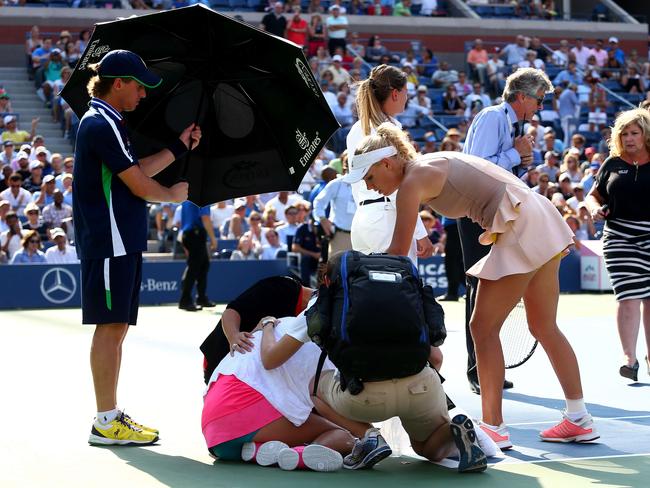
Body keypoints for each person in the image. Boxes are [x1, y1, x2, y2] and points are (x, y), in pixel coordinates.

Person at [345, 122, 599, 450]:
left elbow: (397, 255)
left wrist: (355, 276)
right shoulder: (426, 166)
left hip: (521, 223)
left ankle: (493, 426)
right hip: (538, 215)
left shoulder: (412, 181)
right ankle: (579, 418)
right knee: (543, 326)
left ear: (387, 163)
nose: (369, 186)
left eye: (369, 177)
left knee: (482, 327)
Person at [260, 253, 488, 473]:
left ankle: (369, 436)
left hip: (363, 396)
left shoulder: (320, 305)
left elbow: (271, 360)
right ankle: (453, 431)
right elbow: (436, 358)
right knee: (425, 447)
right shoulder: (405, 295)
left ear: (327, 279)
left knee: (313, 387)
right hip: (422, 386)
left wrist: (269, 324)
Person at [73, 50, 199, 445]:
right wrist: (174, 196)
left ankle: (109, 416)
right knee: (110, 327)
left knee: (118, 326)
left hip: (120, 240)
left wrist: (179, 147)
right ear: (119, 83)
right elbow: (139, 185)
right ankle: (105, 420)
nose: (143, 94)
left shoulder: (110, 121)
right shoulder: (99, 123)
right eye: (139, 86)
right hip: (108, 241)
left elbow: (137, 170)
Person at [460, 67, 548, 393]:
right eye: (538, 100)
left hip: (494, 212)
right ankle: (477, 370)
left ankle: (485, 366)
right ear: (522, 96)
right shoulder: (493, 116)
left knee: (490, 288)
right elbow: (477, 166)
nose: (539, 106)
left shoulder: (511, 122)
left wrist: (522, 159)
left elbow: (501, 170)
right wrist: (516, 153)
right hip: (478, 212)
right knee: (479, 287)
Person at [202, 307, 359, 471]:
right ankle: (299, 454)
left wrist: (268, 323)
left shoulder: (282, 324)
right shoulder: (324, 347)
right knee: (345, 436)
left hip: (217, 439)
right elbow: (330, 406)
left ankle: (258, 450)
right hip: (248, 414)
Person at [586, 108, 650, 382]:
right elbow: (593, 195)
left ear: (646, 135)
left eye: (634, 133)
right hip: (618, 236)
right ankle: (629, 358)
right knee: (627, 296)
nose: (629, 138)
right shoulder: (612, 164)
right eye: (624, 134)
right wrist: (593, 209)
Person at [346, 64, 433, 264]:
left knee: (366, 288)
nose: (407, 97)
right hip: (387, 219)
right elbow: (397, 186)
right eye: (405, 92)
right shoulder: (389, 129)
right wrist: (419, 231)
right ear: (395, 93)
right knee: (399, 289)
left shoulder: (357, 129)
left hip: (363, 219)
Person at [200, 275, 313, 383]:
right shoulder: (279, 288)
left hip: (248, 371)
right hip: (219, 358)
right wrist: (234, 336)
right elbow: (232, 311)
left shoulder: (305, 318)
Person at [178, 201, 217, 312]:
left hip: (190, 234)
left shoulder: (188, 198)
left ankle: (201, 298)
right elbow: (205, 218)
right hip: (195, 234)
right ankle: (185, 300)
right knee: (194, 268)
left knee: (203, 265)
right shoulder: (202, 198)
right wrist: (213, 238)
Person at [313, 171, 355, 256]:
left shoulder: (366, 182)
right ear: (345, 166)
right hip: (340, 235)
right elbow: (319, 202)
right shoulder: (336, 183)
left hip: (362, 236)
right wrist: (322, 219)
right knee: (337, 267)